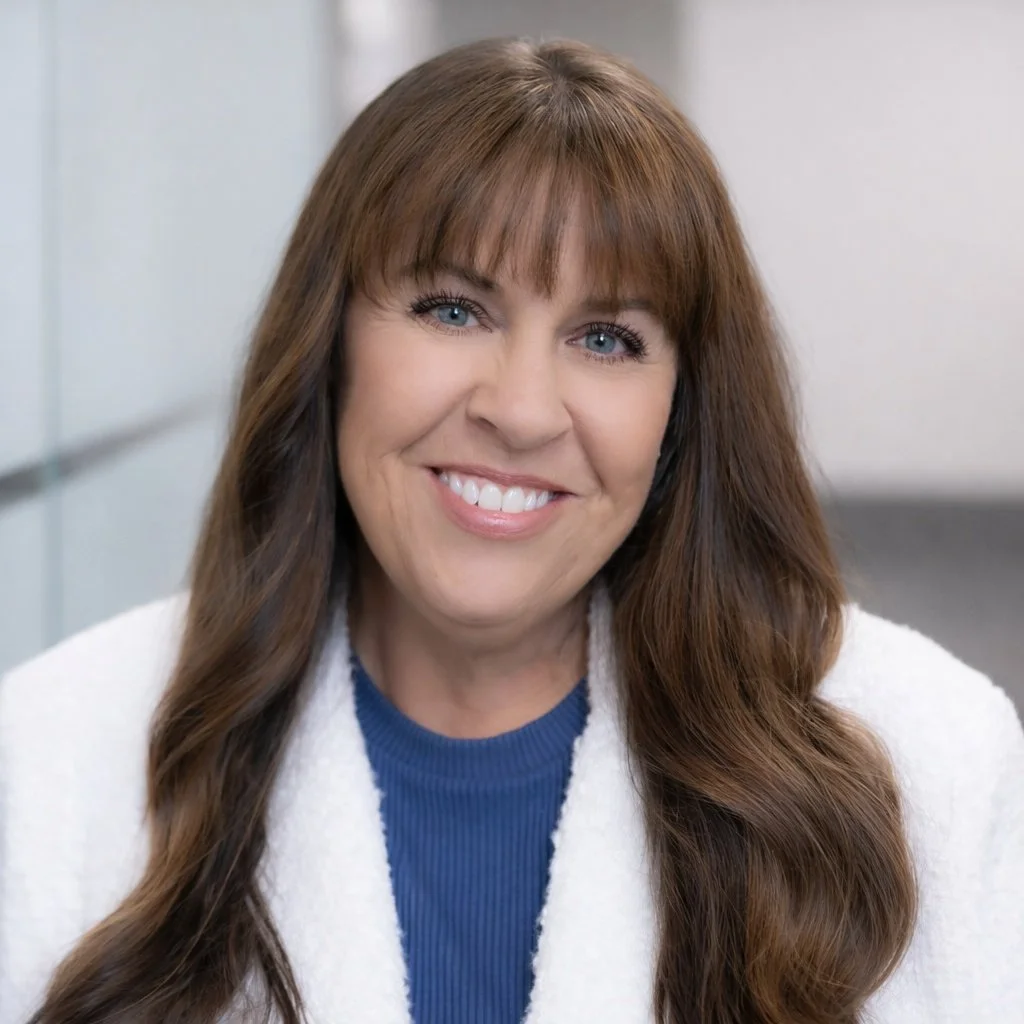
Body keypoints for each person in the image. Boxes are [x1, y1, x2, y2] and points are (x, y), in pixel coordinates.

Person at [1, 36, 1021, 1024]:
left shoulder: (923, 763)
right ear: (330, 343)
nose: (523, 409)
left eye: (607, 338)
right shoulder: (54, 757)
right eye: (453, 310)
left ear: (681, 414)